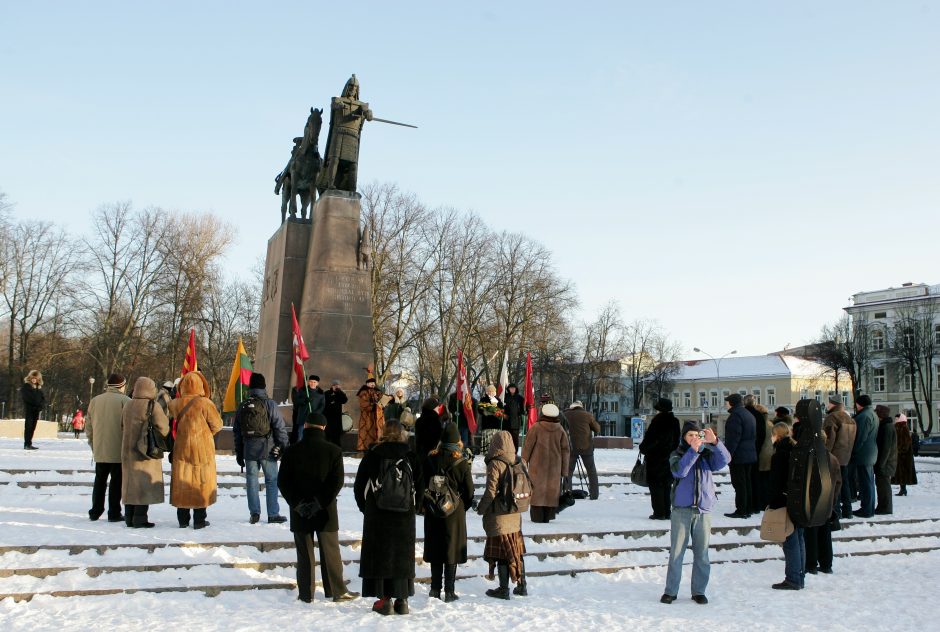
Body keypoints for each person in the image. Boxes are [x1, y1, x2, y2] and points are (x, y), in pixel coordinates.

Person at [277, 411, 359, 604]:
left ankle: (306, 593)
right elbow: (336, 482)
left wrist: (298, 504)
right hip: (326, 510)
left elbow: (283, 482)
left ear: (305, 426)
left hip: (300, 511)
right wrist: (318, 503)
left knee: (304, 555)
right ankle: (336, 591)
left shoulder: (291, 451)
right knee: (330, 553)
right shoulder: (333, 451)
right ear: (323, 428)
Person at [660, 420, 731, 605]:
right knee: (676, 552)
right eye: (689, 435)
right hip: (681, 510)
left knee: (702, 553)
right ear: (684, 437)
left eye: (696, 435)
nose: (693, 438)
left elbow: (726, 460)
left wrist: (715, 442)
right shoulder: (677, 454)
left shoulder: (707, 455)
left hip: (703, 510)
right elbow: (680, 472)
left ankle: (699, 591)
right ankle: (671, 591)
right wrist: (693, 451)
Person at [354, 420, 419, 615]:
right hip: (404, 514)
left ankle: (384, 600)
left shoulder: (373, 455)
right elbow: (421, 486)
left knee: (380, 556)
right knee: (401, 556)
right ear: (402, 434)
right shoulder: (410, 456)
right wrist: (413, 508)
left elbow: (359, 486)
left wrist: (366, 509)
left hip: (378, 515)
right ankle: (402, 601)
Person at [421, 422, 474, 602]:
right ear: (457, 440)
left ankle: (435, 589)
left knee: (436, 548)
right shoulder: (461, 461)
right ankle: (449, 591)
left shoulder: (430, 458)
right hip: (454, 512)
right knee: (451, 550)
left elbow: (421, 484)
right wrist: (460, 507)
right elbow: (469, 491)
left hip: (433, 509)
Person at [477, 430, 528, 599]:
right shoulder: (519, 461)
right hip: (515, 513)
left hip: (499, 514)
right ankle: (522, 585)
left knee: (502, 553)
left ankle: (504, 589)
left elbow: (491, 492)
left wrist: (481, 509)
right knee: (516, 551)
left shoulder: (495, 463)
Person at [168, 371, 223, 529]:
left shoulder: (175, 404)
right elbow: (218, 425)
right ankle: (199, 520)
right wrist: (205, 434)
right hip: (202, 449)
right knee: (201, 482)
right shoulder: (205, 403)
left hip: (181, 448)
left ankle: (183, 519)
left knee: (182, 480)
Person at [234, 372, 290, 524]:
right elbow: (279, 427)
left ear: (250, 387)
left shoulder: (243, 405)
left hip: (249, 449)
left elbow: (237, 432)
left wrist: (239, 453)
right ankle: (273, 514)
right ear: (264, 386)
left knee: (252, 481)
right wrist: (284, 446)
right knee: (271, 481)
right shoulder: (270, 404)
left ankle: (254, 514)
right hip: (268, 449)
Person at [120, 377, 170, 528]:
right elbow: (163, 428)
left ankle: (129, 517)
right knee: (143, 484)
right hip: (145, 451)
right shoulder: (152, 405)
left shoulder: (128, 404)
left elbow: (122, 425)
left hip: (127, 450)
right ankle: (140, 518)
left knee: (130, 484)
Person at [86, 373, 130, 522]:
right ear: (122, 386)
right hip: (118, 448)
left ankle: (95, 510)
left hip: (100, 448)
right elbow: (129, 426)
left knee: (99, 481)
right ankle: (114, 512)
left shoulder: (95, 400)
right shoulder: (125, 401)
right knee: (116, 482)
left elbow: (89, 426)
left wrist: (93, 443)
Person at [769, 421, 804, 590]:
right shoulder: (796, 450)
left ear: (778, 435)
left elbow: (776, 482)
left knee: (790, 541)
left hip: (785, 501)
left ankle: (793, 578)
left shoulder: (779, 455)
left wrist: (773, 504)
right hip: (799, 500)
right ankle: (799, 576)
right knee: (799, 539)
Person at [521, 403, 570, 524]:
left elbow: (527, 446)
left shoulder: (536, 427)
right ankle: (548, 516)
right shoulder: (560, 429)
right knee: (551, 493)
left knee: (537, 492)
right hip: (554, 468)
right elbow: (566, 451)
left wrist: (523, 462)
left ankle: (537, 517)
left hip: (537, 467)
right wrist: (564, 470)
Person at [640, 398, 681, 520]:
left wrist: (643, 448)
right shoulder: (675, 421)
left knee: (655, 485)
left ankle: (659, 512)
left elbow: (651, 440)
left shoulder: (657, 421)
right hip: (669, 458)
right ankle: (667, 512)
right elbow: (676, 440)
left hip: (656, 458)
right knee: (667, 485)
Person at [722, 393, 757, 518]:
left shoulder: (735, 416)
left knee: (739, 484)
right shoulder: (748, 414)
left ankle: (741, 510)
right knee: (747, 483)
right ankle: (748, 508)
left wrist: (727, 455)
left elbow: (733, 439)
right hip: (749, 455)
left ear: (732, 403)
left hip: (739, 456)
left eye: (726, 402)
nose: (725, 404)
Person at [823, 395, 856, 518]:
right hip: (846, 457)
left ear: (834, 404)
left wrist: (825, 454)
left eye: (829, 403)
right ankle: (848, 510)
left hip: (834, 457)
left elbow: (829, 439)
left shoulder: (832, 418)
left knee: (834, 486)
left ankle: (836, 511)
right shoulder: (849, 418)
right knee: (845, 484)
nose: (828, 405)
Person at [564, 400, 601, 500]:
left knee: (568, 472)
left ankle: (567, 494)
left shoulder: (565, 415)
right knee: (591, 471)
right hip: (586, 447)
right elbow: (597, 429)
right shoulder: (587, 415)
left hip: (570, 447)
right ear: (581, 406)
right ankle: (594, 495)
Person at [850, 394, 878, 518]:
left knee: (865, 483)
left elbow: (860, 437)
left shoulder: (864, 416)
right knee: (869, 482)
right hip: (870, 453)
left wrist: (853, 451)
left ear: (859, 404)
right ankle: (869, 507)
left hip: (864, 454)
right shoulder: (873, 414)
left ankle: (866, 509)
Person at [745, 395, 770, 513]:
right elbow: (762, 436)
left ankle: (752, 504)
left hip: (753, 453)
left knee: (751, 480)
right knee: (758, 480)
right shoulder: (761, 418)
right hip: (760, 452)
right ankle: (759, 503)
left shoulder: (746, 415)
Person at [874, 404, 898, 515]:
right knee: (882, 486)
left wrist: (881, 464)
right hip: (886, 463)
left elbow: (886, 448)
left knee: (884, 486)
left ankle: (885, 508)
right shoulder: (887, 426)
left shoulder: (887, 427)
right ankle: (882, 506)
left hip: (886, 464)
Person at [291, 374, 324, 444]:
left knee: (312, 437)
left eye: (314, 382)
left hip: (314, 419)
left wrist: (316, 413)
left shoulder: (320, 393)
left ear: (317, 383)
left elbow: (322, 405)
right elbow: (296, 401)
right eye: (311, 381)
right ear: (308, 382)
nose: (312, 383)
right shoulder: (302, 390)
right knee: (301, 436)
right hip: (303, 418)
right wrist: (304, 401)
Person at [357, 376, 385, 451]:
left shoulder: (378, 392)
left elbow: (383, 401)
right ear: (367, 384)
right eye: (370, 383)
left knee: (379, 434)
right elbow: (363, 404)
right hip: (368, 417)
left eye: (373, 383)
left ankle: (378, 449)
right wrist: (373, 406)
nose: (372, 384)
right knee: (368, 435)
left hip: (379, 417)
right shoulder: (363, 392)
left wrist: (386, 401)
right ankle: (367, 451)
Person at [415, 398, 445, 466]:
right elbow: (437, 438)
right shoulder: (435, 421)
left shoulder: (419, 421)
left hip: (420, 454)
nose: (438, 409)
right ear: (433, 408)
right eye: (437, 407)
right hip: (432, 455)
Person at [893, 414, 917, 496]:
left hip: (903, 456)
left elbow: (906, 442)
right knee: (901, 473)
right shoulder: (898, 427)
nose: (895, 419)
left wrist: (900, 450)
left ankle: (903, 490)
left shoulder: (903, 427)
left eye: (896, 418)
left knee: (902, 472)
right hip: (901, 455)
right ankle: (903, 489)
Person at [20, 370, 45, 450]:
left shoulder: (39, 388)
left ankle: (29, 443)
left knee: (33, 427)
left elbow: (42, 399)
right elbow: (27, 398)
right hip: (30, 409)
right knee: (28, 427)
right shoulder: (26, 386)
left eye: (36, 378)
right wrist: (35, 405)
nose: (34, 379)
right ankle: (26, 444)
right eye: (32, 378)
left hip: (36, 410)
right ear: (30, 378)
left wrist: (40, 406)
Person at [478, 385, 504, 454]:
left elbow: (501, 410)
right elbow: (479, 410)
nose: (490, 393)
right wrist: (486, 412)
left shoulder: (498, 400)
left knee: (495, 438)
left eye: (492, 391)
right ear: (486, 392)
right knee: (487, 438)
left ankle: (495, 451)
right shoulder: (483, 400)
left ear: (494, 392)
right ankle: (486, 451)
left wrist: (496, 412)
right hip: (487, 423)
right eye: (489, 391)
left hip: (496, 423)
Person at [323, 380, 348, 448]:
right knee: (327, 436)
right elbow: (324, 403)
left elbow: (344, 400)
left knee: (336, 437)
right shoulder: (326, 393)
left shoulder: (340, 393)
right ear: (332, 386)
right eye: (335, 385)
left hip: (337, 419)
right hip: (327, 418)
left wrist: (339, 392)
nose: (336, 387)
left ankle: (337, 450)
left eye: (338, 385)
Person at [502, 383, 526, 453]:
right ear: (508, 389)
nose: (512, 389)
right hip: (506, 421)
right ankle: (505, 451)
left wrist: (524, 411)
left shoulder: (520, 398)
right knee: (506, 437)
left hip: (515, 421)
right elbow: (500, 407)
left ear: (516, 389)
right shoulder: (504, 397)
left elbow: (523, 409)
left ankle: (515, 452)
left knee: (515, 438)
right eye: (511, 388)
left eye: (513, 388)